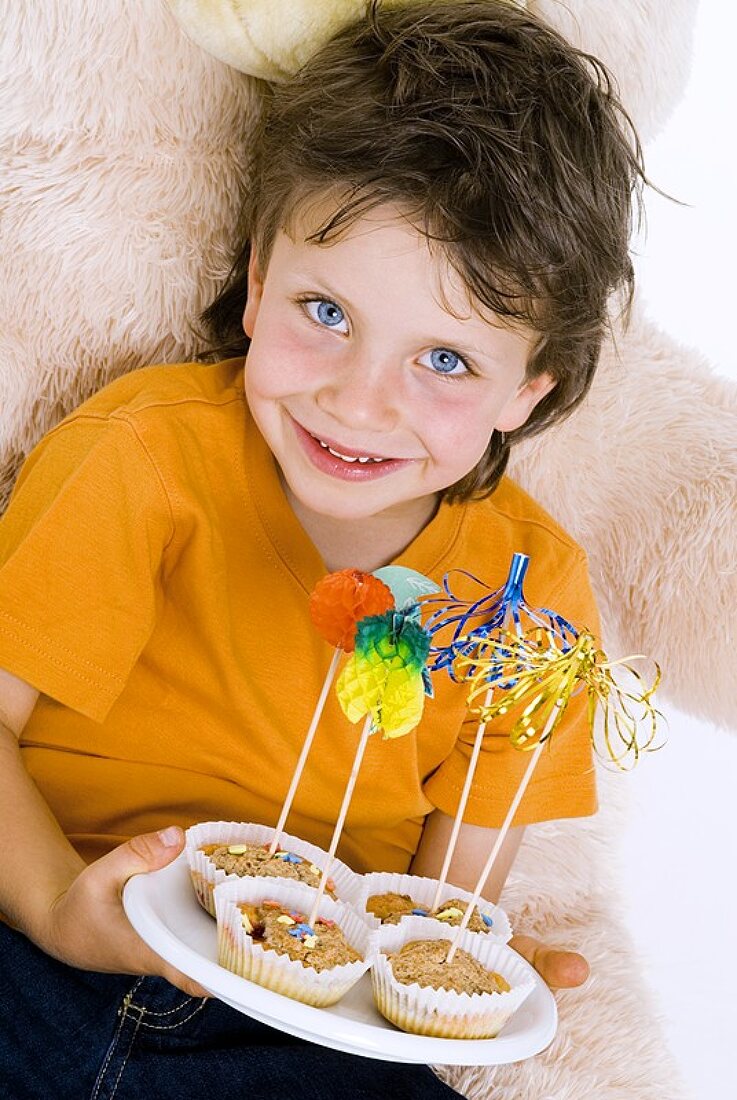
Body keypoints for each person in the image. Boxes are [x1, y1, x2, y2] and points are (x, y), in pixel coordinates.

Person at [0, 1, 646, 1096]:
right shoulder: (146, 454)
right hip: (39, 947)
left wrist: (461, 966)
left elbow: (451, 903)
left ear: (526, 391)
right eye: (325, 310)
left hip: (308, 1027)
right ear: (255, 282)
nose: (358, 400)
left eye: (443, 359)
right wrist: (60, 907)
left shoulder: (530, 604)